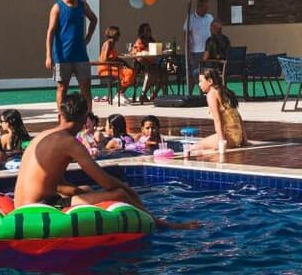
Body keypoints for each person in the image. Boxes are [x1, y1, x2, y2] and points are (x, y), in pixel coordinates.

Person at [13, 92, 198, 229]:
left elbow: (57, 184)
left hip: (20, 205)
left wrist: (82, 192)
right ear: (85, 118)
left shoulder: (42, 136)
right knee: (120, 194)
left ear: (61, 114)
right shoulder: (69, 142)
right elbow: (105, 181)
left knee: (85, 189)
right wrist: (128, 189)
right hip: (39, 208)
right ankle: (162, 225)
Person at [46, 0, 98, 112]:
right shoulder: (57, 7)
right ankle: (62, 116)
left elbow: (94, 19)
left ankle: (88, 116)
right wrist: (49, 56)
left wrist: (88, 37)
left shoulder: (82, 5)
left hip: (80, 55)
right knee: (62, 87)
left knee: (85, 87)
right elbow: (50, 31)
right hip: (62, 56)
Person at [190, 68, 246, 153]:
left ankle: (211, 150)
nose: (199, 84)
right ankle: (212, 150)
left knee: (194, 148)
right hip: (238, 137)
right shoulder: (225, 91)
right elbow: (238, 116)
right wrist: (244, 138)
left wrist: (221, 143)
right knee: (204, 147)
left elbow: (217, 121)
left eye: (201, 81)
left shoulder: (211, 94)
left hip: (228, 138)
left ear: (210, 81)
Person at [97, 25, 136, 105]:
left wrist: (124, 63)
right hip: (105, 68)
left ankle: (120, 93)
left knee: (131, 71)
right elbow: (105, 59)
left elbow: (114, 58)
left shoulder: (112, 43)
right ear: (114, 34)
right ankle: (119, 94)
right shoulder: (109, 43)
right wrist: (118, 62)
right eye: (118, 34)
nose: (119, 36)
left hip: (111, 67)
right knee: (129, 73)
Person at [184, 0, 214, 93]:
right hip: (195, 52)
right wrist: (188, 52)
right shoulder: (191, 18)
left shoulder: (210, 17)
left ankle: (205, 92)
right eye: (205, 8)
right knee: (195, 73)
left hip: (208, 51)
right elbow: (186, 36)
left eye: (207, 8)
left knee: (207, 73)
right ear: (199, 7)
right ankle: (192, 93)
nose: (207, 10)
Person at [131, 22, 164, 103]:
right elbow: (136, 55)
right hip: (141, 66)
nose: (149, 31)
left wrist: (160, 49)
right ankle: (143, 94)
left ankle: (154, 94)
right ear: (142, 32)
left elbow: (156, 51)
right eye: (147, 30)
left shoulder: (151, 40)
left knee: (164, 73)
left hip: (153, 64)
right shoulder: (139, 42)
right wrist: (147, 65)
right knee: (152, 73)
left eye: (150, 30)